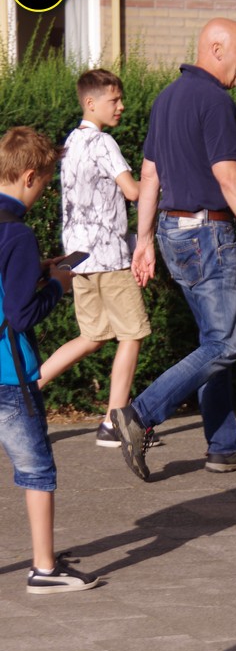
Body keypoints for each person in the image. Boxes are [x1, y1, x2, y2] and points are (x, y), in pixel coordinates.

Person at [110, 18, 236, 481]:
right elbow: (228, 177)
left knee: (211, 341)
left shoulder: (166, 98)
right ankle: (139, 414)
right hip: (206, 235)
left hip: (173, 233)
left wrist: (145, 239)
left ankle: (224, 447)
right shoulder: (215, 101)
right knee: (224, 344)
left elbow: (150, 174)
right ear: (216, 49)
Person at [0, 126, 98, 593]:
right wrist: (57, 283)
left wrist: (35, 272)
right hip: (9, 374)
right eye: (44, 182)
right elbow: (22, 315)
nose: (44, 191)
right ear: (29, 176)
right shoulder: (17, 234)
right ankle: (44, 568)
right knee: (37, 470)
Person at [37, 69, 153, 448]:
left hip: (80, 260)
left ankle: (26, 390)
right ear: (90, 103)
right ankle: (113, 422)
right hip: (109, 259)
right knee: (132, 334)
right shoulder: (103, 143)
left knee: (92, 336)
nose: (121, 106)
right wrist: (160, 179)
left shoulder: (70, 143)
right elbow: (133, 191)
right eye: (114, 100)